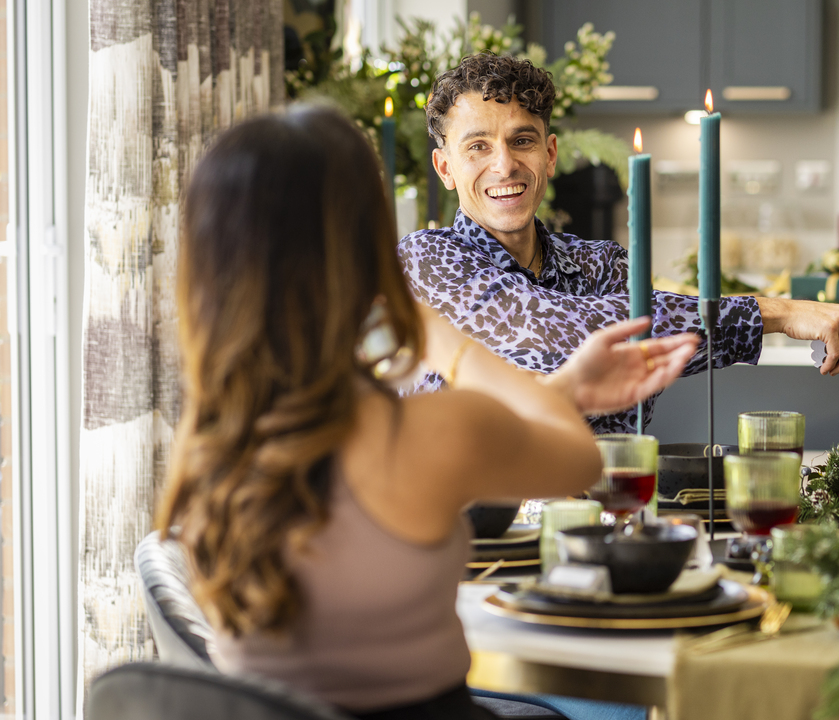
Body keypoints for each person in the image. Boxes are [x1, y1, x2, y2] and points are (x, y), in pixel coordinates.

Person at [155, 106, 698, 718]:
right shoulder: (419, 434)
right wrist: (448, 341)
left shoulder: (209, 449)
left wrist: (566, 385)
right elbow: (574, 460)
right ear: (363, 249)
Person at [399, 53, 839, 433]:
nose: (504, 165)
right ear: (446, 168)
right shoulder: (425, 260)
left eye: (522, 141)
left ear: (549, 155)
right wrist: (779, 313)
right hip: (465, 533)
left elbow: (631, 396)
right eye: (478, 147)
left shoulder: (602, 265)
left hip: (597, 519)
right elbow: (548, 330)